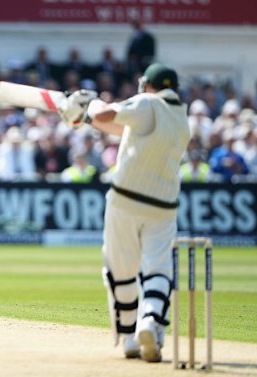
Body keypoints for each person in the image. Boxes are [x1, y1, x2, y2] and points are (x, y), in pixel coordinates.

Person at [57, 63, 190, 362]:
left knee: (121, 270)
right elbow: (120, 127)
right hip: (164, 205)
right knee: (158, 268)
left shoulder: (146, 102)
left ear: (148, 85)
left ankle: (129, 338)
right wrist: (84, 117)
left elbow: (107, 115)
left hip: (126, 199)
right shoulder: (182, 118)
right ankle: (150, 321)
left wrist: (88, 104)